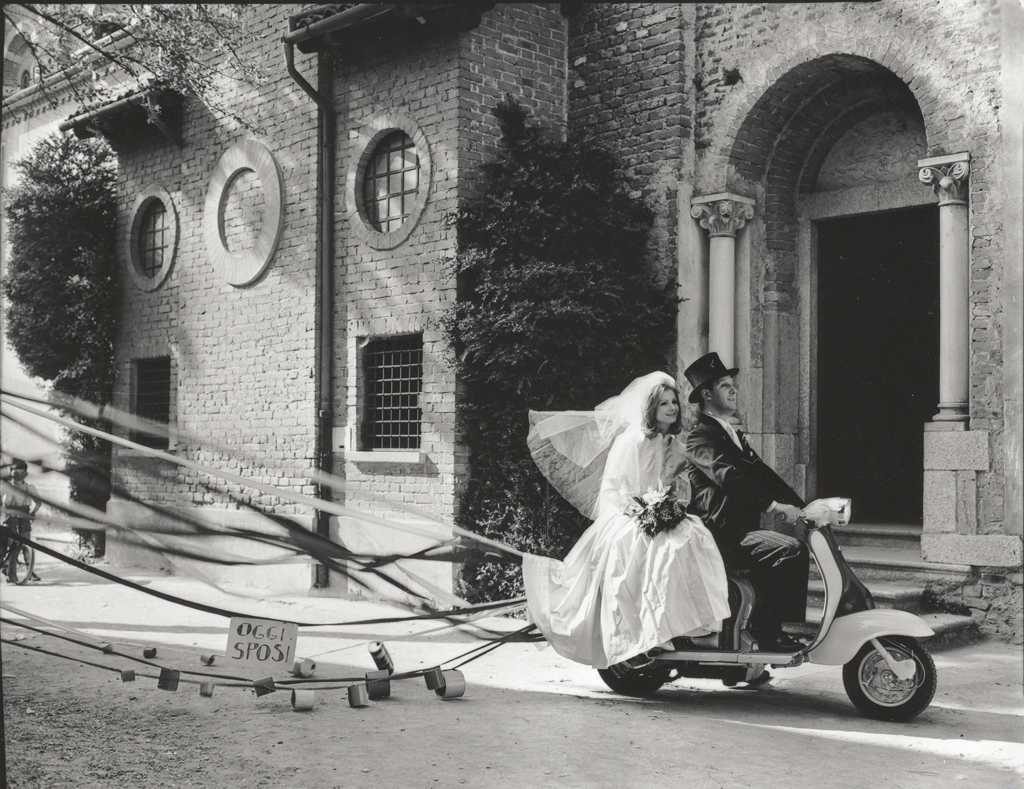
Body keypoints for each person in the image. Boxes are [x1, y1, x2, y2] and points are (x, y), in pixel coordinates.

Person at [522, 372, 731, 670]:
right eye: (664, 405)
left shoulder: (671, 442)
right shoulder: (632, 440)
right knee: (655, 549)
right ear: (651, 409)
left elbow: (674, 483)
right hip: (628, 514)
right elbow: (615, 489)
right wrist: (643, 511)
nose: (672, 409)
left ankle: (688, 624)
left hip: (658, 510)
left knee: (695, 537)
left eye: (674, 403)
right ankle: (652, 631)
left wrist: (670, 504)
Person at [682, 352, 808, 652]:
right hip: (717, 537)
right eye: (725, 386)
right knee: (789, 551)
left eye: (732, 384)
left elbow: (766, 477)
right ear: (707, 395)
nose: (734, 390)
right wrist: (775, 508)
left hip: (737, 532)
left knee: (791, 549)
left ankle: (765, 632)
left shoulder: (731, 434)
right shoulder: (701, 438)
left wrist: (803, 507)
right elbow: (728, 477)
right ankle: (768, 634)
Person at [1, 459, 42, 582]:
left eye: (20, 472)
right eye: (15, 472)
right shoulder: (6, 487)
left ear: (25, 474)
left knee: (26, 543)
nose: (17, 475)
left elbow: (38, 502)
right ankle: (9, 570)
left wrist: (33, 513)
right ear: (11, 472)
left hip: (24, 517)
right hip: (10, 517)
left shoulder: (29, 488)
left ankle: (29, 570)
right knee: (10, 544)